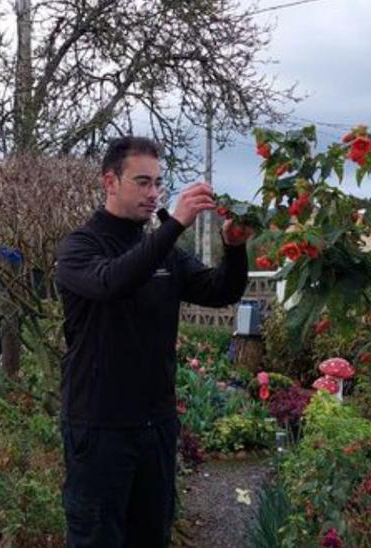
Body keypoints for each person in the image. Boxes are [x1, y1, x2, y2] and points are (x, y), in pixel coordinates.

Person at [55, 136, 252, 546]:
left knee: (151, 537)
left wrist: (234, 249)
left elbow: (220, 291)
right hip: (99, 427)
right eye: (142, 182)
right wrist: (175, 223)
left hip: (156, 426)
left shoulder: (164, 251)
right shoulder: (80, 247)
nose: (153, 193)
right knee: (97, 539)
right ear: (111, 181)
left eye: (157, 183)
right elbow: (113, 282)